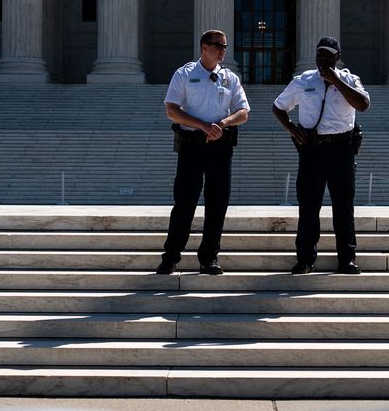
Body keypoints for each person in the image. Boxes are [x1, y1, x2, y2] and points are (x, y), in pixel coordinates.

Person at [272, 36, 371, 274]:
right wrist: (293, 130)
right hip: (312, 151)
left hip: (342, 150)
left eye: (328, 55)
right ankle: (305, 259)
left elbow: (363, 104)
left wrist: (336, 80)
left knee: (344, 206)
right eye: (319, 55)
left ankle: (346, 258)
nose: (323, 59)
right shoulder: (303, 81)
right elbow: (278, 107)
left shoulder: (349, 79)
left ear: (337, 57)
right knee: (308, 206)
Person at [157, 29, 251, 275]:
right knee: (185, 202)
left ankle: (209, 258)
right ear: (204, 47)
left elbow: (243, 112)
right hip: (191, 145)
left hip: (220, 146)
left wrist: (224, 123)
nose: (222, 50)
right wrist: (202, 126)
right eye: (217, 45)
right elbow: (171, 110)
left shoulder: (230, 78)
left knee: (217, 203)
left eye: (225, 46)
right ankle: (171, 256)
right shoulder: (185, 74)